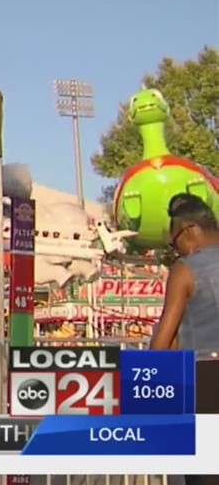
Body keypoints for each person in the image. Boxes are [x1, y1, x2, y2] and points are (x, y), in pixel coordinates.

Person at [151, 193, 218, 485]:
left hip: (204, 384)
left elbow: (162, 343)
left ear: (189, 230)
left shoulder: (185, 270)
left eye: (174, 240)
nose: (175, 248)